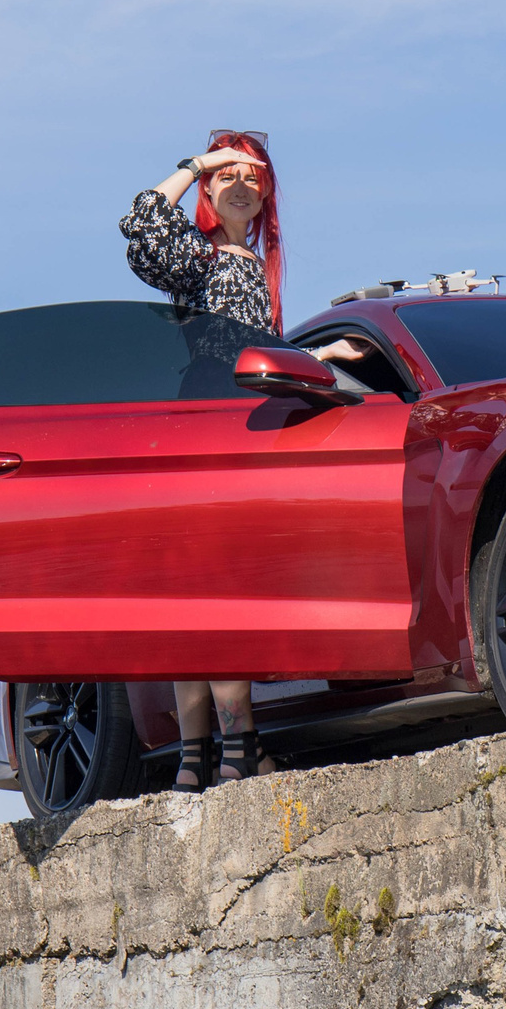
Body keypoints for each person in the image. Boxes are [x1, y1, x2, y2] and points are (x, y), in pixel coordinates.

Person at [120, 130, 364, 792]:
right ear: (206, 190)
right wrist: (198, 161)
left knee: (199, 591)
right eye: (226, 174)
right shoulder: (203, 259)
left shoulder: (247, 269)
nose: (240, 182)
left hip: (223, 423)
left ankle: (198, 759)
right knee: (216, 585)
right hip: (209, 423)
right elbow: (142, 222)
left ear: (265, 201)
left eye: (253, 177)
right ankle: (237, 749)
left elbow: (255, 354)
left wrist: (320, 359)